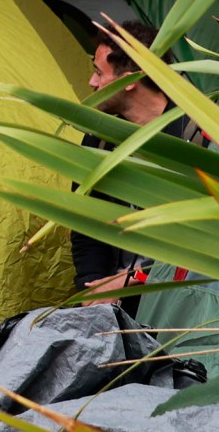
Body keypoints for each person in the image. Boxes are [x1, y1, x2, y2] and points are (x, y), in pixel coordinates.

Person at [72, 19, 189, 293]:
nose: (91, 82)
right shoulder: (98, 139)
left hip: (176, 299)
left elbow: (204, 235)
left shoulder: (194, 137)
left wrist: (135, 279)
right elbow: (85, 224)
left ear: (127, 82)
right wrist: (90, 288)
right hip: (114, 300)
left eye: (98, 73)